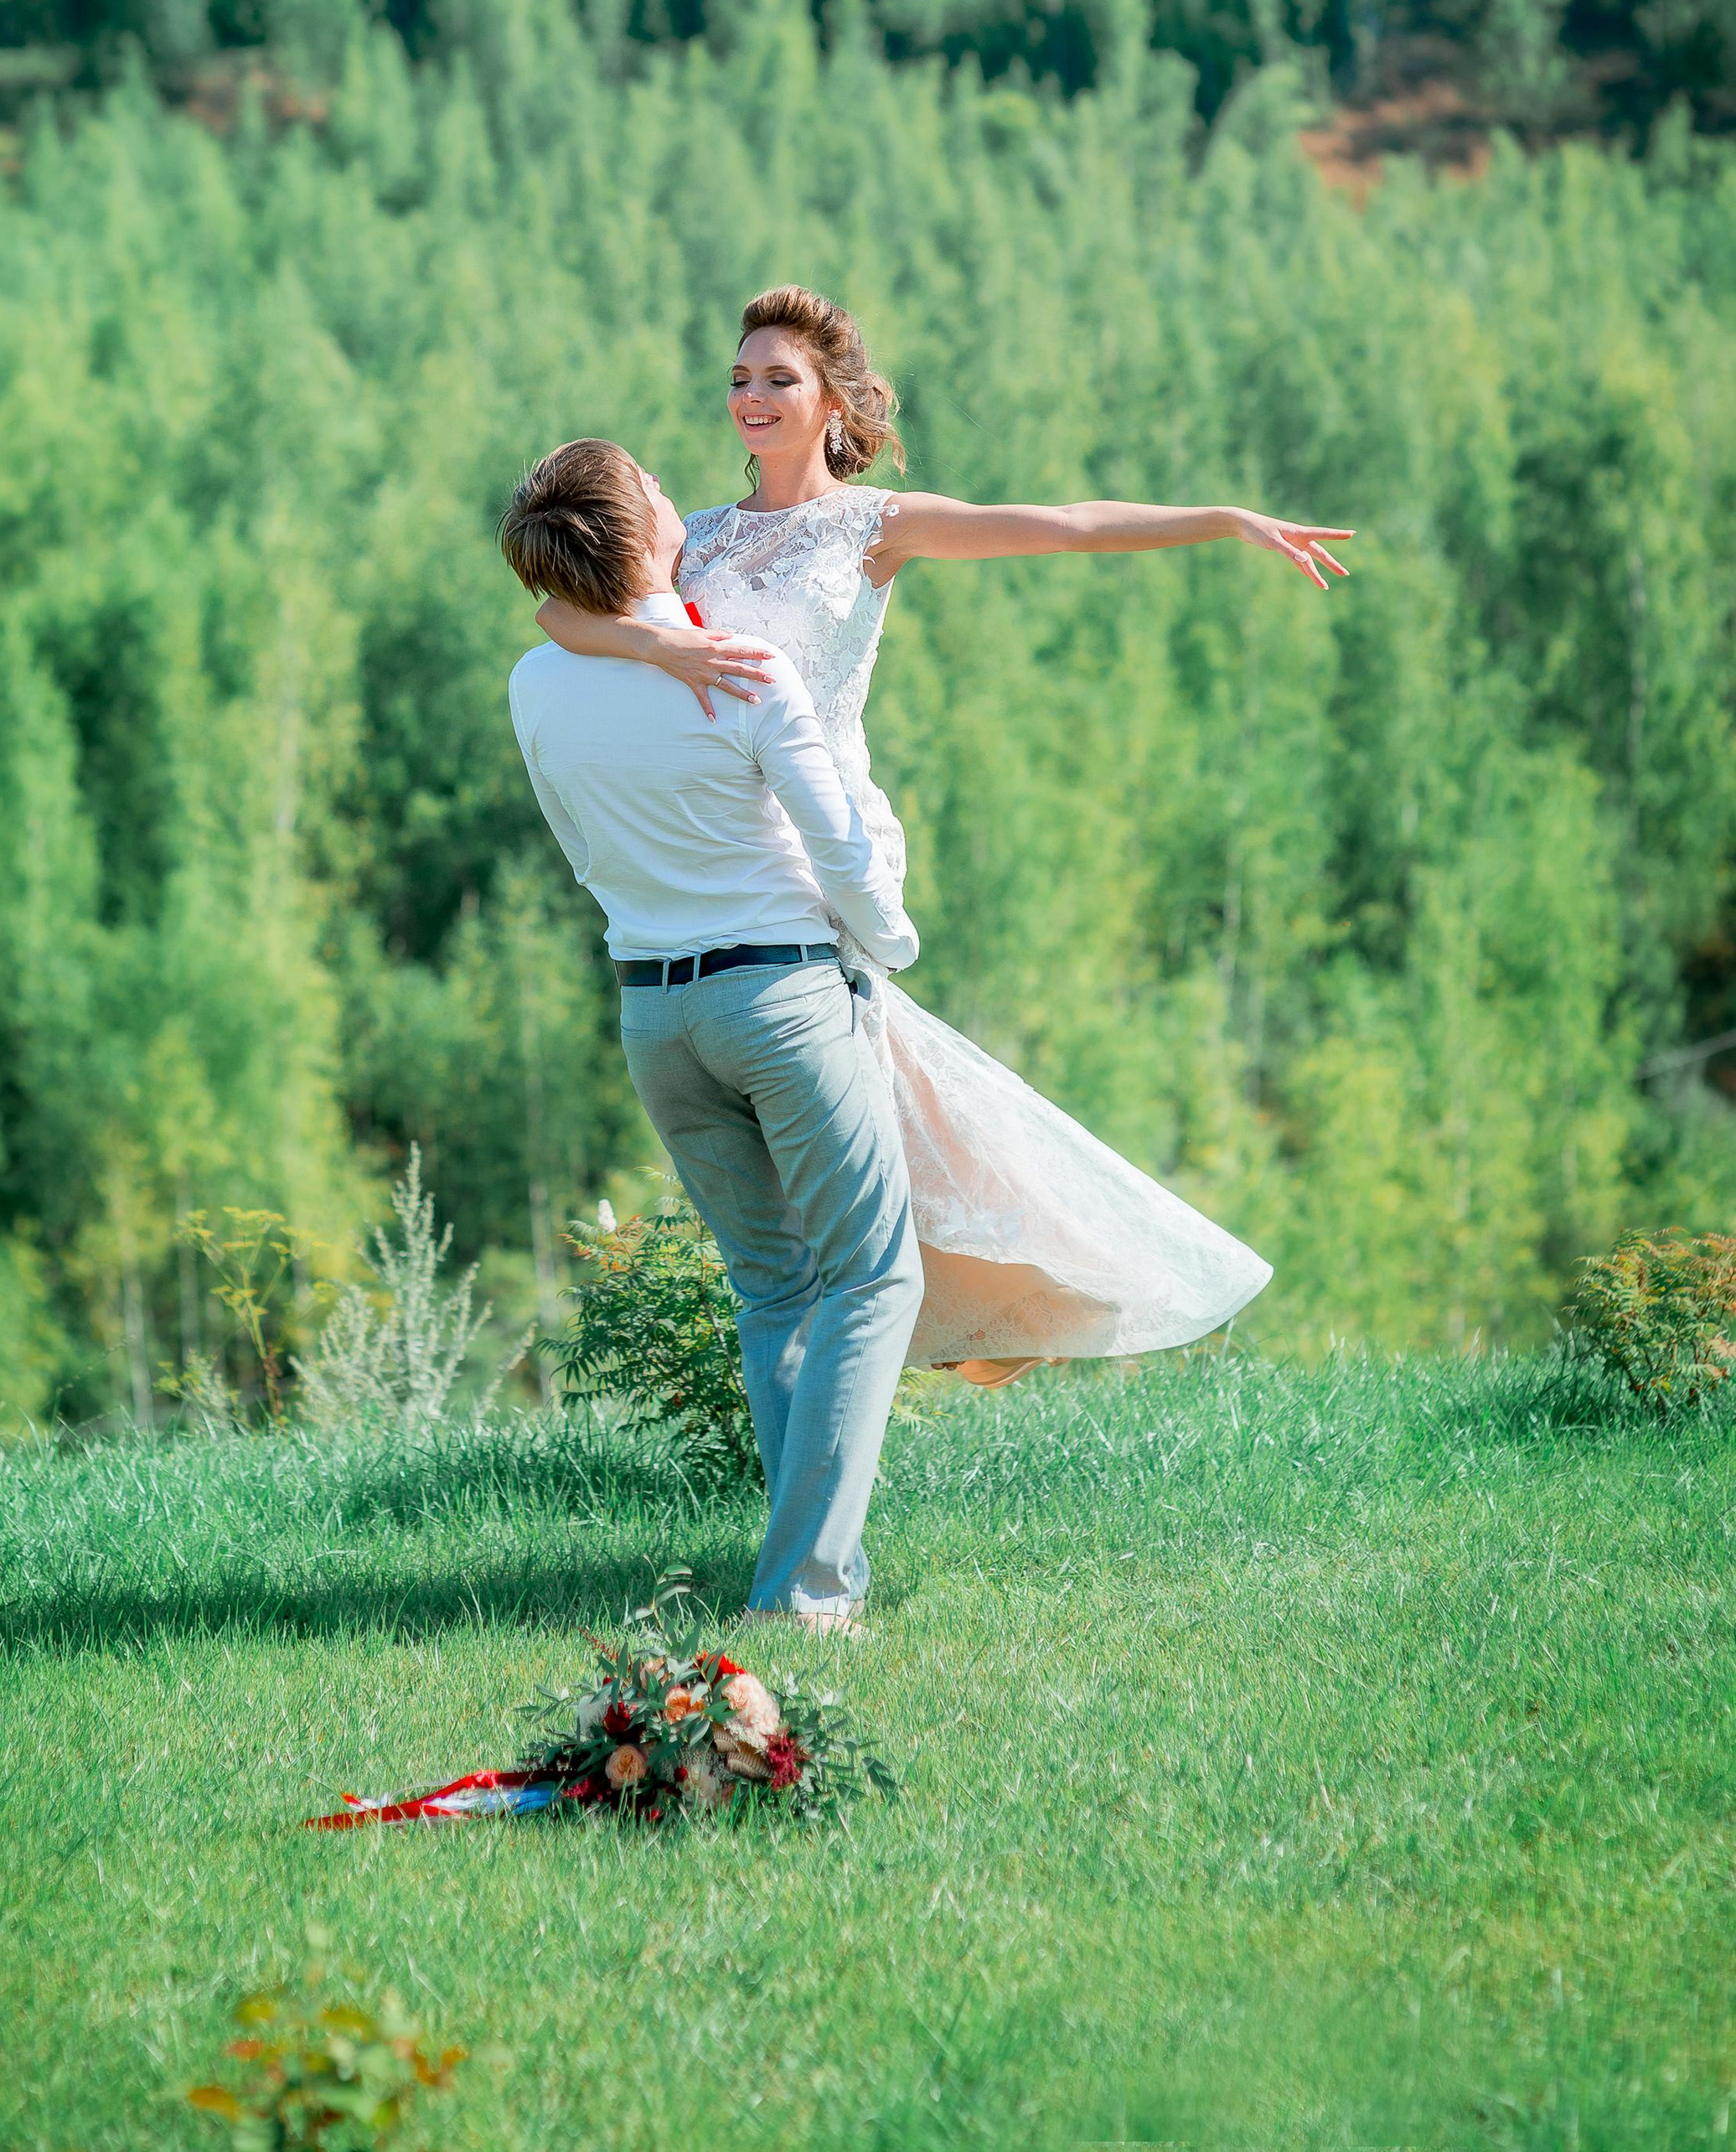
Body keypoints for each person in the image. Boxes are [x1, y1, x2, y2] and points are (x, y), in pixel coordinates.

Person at [536, 285, 1354, 1382]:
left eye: (779, 378)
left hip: (828, 832)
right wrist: (666, 651)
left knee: (858, 1083)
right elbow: (560, 610)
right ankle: (1001, 1292)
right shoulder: (699, 538)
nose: (752, 397)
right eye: (740, 376)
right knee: (881, 1083)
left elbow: (1064, 527)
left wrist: (1224, 519)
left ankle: (998, 1294)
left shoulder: (877, 526)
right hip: (731, 836)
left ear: (835, 403)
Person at [502, 433, 922, 1632]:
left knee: (775, 1290)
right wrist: (887, 943)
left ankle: (802, 1569)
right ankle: (809, 1591)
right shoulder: (739, 668)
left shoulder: (537, 681)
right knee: (872, 1275)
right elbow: (835, 838)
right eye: (647, 479)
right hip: (781, 997)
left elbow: (582, 848)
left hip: (655, 1013)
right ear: (638, 529)